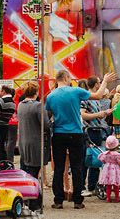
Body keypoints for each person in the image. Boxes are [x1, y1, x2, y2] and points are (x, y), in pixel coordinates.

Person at [46, 69, 116, 209]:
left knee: (59, 168)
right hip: (76, 133)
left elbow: (49, 115)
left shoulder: (50, 96)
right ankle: (78, 200)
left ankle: (58, 200)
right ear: (66, 78)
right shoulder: (76, 91)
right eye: (70, 78)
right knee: (77, 167)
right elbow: (98, 95)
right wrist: (105, 82)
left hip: (59, 133)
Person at [81, 75, 114, 197]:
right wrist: (98, 114)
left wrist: (104, 114)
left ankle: (93, 186)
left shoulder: (97, 100)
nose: (100, 84)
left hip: (98, 130)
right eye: (99, 82)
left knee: (96, 158)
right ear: (95, 84)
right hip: (88, 131)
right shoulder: (85, 98)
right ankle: (82, 187)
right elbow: (83, 115)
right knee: (85, 159)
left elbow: (96, 115)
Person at [16, 81, 51, 179]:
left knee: (28, 172)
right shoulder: (38, 106)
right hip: (36, 144)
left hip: (23, 142)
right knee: (34, 174)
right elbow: (46, 125)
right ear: (36, 92)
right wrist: (53, 120)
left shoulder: (20, 105)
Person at [98, 135, 120, 203]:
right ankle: (116, 198)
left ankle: (108, 198)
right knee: (116, 186)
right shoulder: (117, 154)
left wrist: (107, 163)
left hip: (107, 170)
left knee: (108, 186)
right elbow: (119, 163)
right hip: (115, 170)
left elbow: (103, 161)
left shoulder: (105, 154)